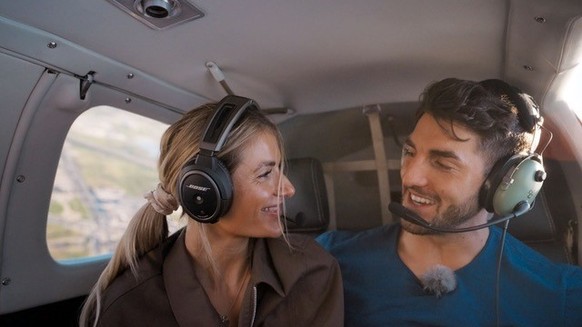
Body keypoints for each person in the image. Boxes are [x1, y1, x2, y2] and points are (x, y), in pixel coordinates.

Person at [316, 78, 582, 326]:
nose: (410, 176)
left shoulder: (560, 297)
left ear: (500, 185)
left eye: (443, 164)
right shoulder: (329, 261)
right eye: (409, 152)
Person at [79, 95, 344, 327]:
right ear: (205, 189)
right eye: (265, 174)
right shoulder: (128, 307)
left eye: (280, 170)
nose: (288, 189)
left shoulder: (312, 271)